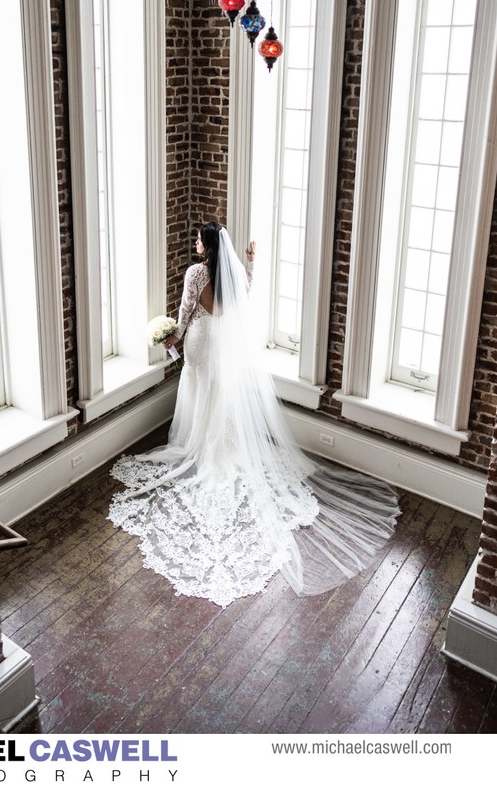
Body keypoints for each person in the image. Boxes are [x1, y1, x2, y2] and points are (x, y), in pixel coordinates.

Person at [109, 223, 400, 608]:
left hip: (198, 339)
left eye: (198, 239)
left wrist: (171, 336)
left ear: (208, 246)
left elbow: (185, 311)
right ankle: (218, 443)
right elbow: (246, 291)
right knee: (219, 393)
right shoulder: (231, 276)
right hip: (221, 342)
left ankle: (194, 444)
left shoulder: (195, 273)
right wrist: (251, 261)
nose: (195, 243)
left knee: (196, 389)